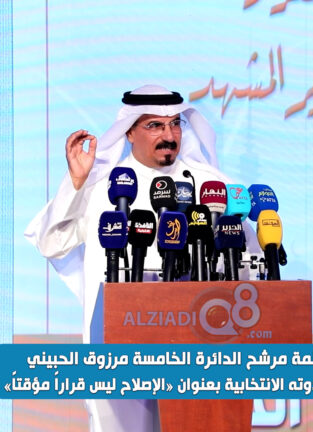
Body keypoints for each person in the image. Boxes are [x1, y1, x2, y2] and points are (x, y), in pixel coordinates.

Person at [24, 84, 244, 432]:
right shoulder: (101, 187)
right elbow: (51, 243)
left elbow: (245, 255)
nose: (169, 136)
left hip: (199, 348)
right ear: (128, 131)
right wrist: (76, 182)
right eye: (154, 125)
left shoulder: (210, 185)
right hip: (119, 350)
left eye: (175, 124)